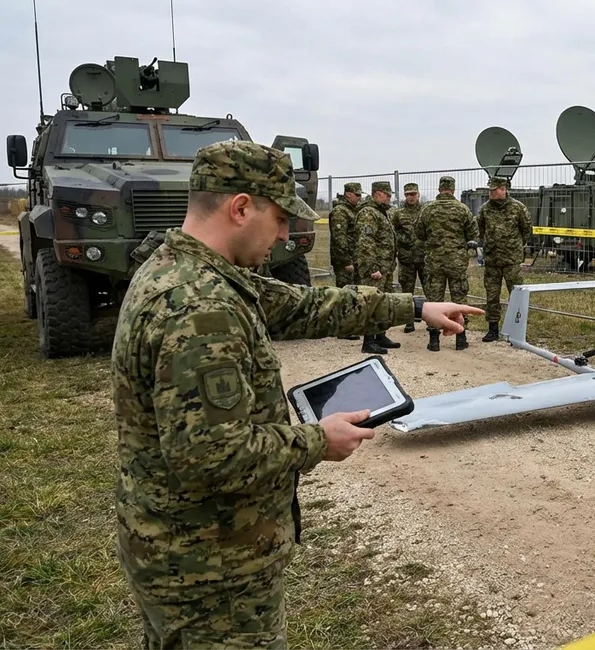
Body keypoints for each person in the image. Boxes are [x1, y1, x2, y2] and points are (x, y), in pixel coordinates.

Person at [110, 139, 482, 648]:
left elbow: (305, 305)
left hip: (189, 553)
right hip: (210, 572)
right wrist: (316, 440)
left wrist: (416, 308)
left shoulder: (190, 271)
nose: (285, 234)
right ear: (241, 207)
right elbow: (211, 457)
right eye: (280, 217)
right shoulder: (198, 310)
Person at [414, 175, 477, 352]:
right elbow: (473, 232)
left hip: (435, 262)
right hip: (456, 262)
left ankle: (434, 341)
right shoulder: (462, 209)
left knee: (434, 300)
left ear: (440, 188)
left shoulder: (428, 209)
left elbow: (419, 232)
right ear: (453, 189)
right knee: (459, 299)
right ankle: (460, 338)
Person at [476, 176, 532, 342]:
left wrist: (514, 246)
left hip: (511, 260)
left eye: (494, 190)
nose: (491, 193)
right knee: (492, 295)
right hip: (492, 259)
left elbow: (526, 230)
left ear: (503, 189)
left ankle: (518, 328)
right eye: (490, 190)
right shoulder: (485, 209)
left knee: (517, 294)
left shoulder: (518, 208)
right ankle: (493, 328)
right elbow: (480, 229)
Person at [354, 180, 402, 353]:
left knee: (383, 303)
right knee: (372, 303)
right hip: (376, 269)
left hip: (385, 268)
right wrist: (372, 267)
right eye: (386, 194)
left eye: (389, 195)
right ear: (377, 193)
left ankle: (380, 335)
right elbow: (365, 243)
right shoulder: (369, 213)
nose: (389, 197)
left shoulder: (382, 212)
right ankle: (368, 341)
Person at [327, 181, 364, 340]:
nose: (359, 198)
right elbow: (339, 239)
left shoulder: (353, 211)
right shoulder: (340, 212)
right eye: (357, 195)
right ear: (348, 194)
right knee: (344, 294)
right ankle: (343, 328)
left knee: (352, 293)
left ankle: (351, 325)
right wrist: (346, 261)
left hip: (354, 258)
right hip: (344, 260)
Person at [391, 182, 426, 334]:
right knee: (407, 291)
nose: (411, 197)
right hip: (406, 259)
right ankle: (409, 322)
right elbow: (393, 232)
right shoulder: (398, 214)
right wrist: (405, 239)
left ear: (418, 194)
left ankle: (431, 320)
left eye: (413, 194)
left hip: (424, 258)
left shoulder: (426, 211)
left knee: (430, 290)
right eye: (408, 195)